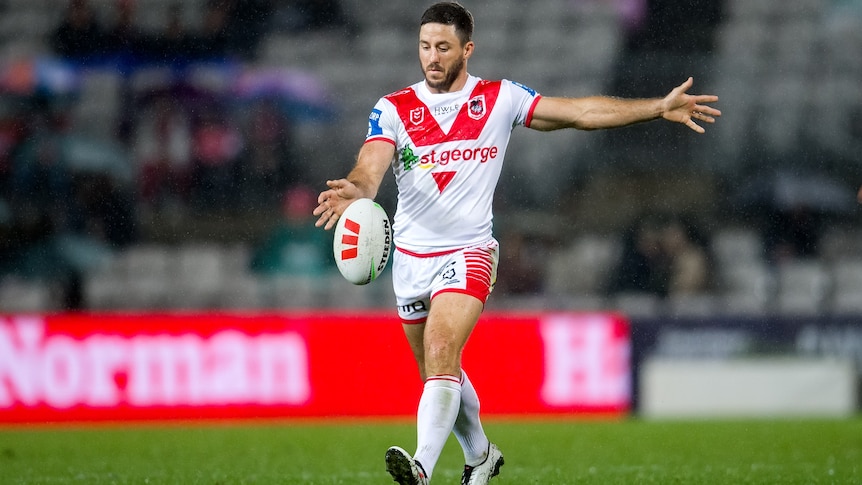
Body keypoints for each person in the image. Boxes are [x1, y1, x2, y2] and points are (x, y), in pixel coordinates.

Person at [312, 3, 720, 484]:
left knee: (442, 348)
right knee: (439, 373)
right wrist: (355, 191)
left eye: (443, 47)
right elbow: (370, 166)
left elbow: (580, 112)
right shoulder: (394, 107)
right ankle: (481, 456)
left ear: (467, 49)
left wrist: (656, 107)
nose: (432, 57)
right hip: (410, 259)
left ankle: (420, 467)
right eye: (424, 47)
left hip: (470, 253)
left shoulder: (499, 99)